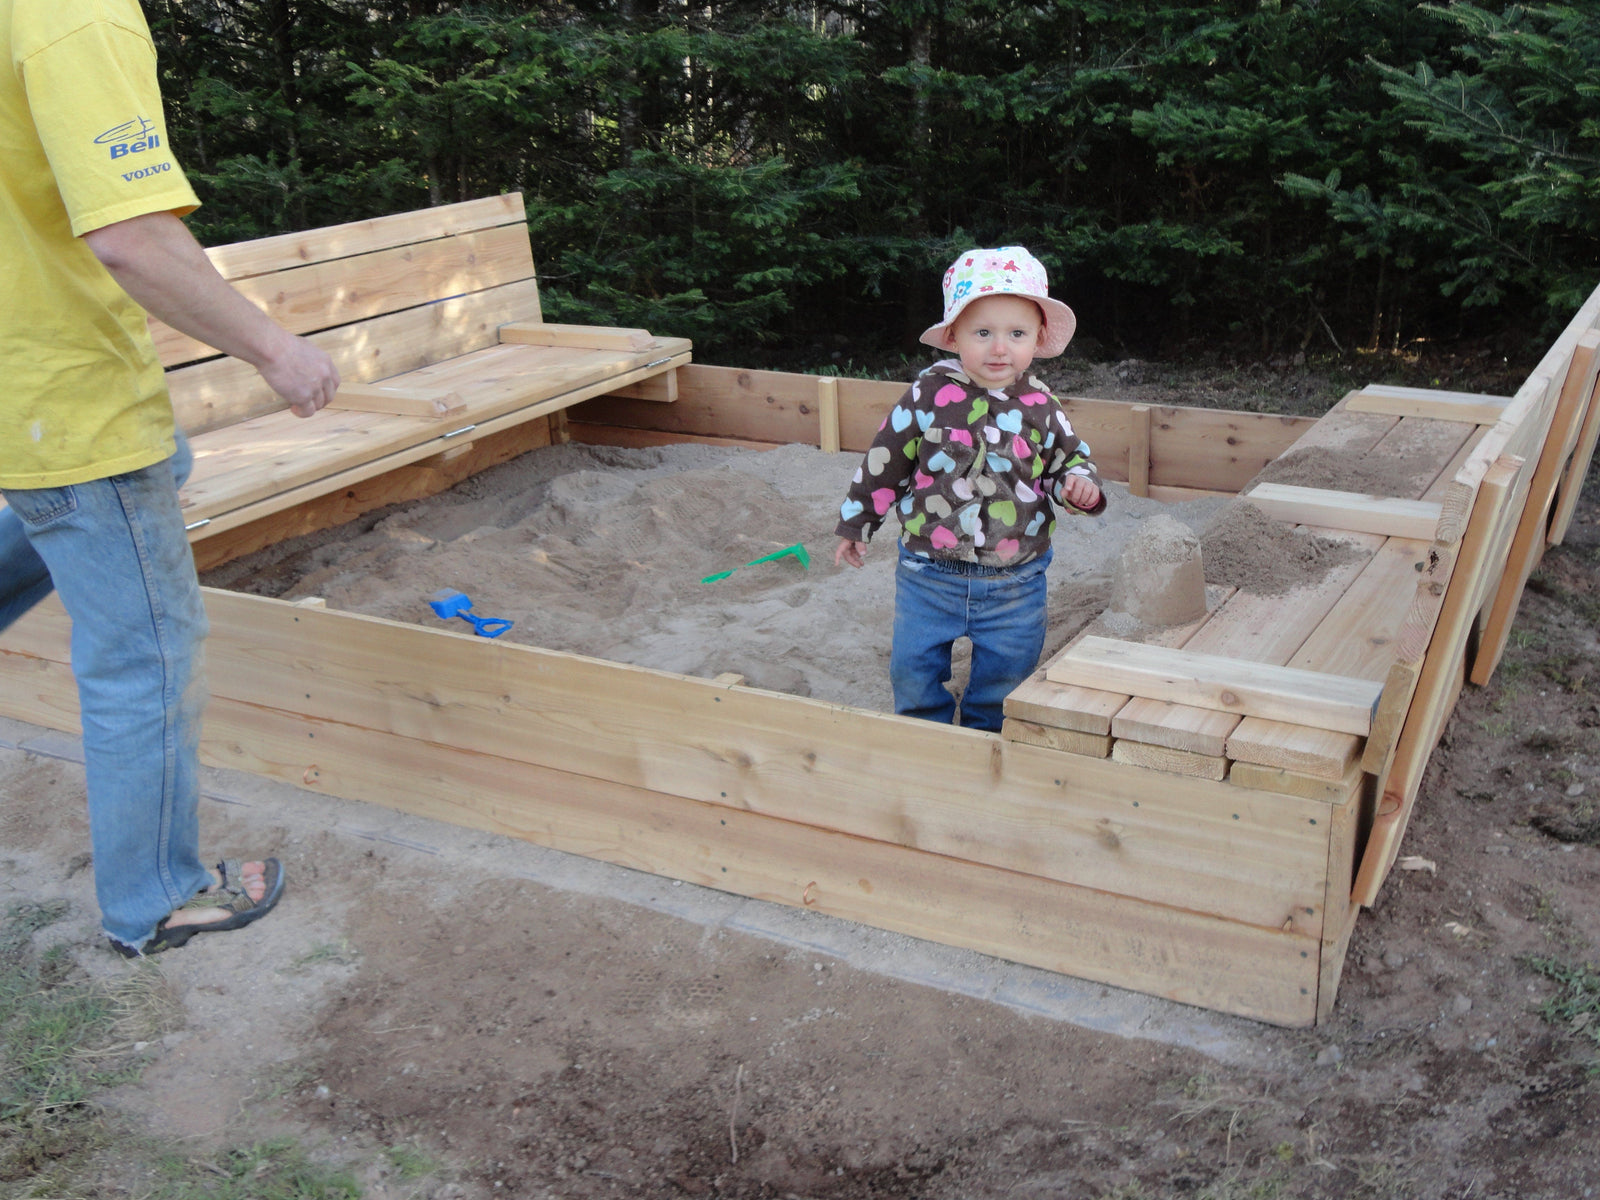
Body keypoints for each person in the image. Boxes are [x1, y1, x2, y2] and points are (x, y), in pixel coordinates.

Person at [1, 0, 341, 956]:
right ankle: (156, 897)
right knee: (144, 659)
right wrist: (275, 350)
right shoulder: (75, 16)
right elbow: (130, 236)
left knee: (152, 471)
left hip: (16, 384)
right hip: (69, 405)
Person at [833, 246, 1106, 731]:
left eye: (1016, 334)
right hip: (927, 572)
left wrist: (1077, 485)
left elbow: (1068, 460)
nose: (999, 348)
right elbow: (885, 460)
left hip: (1014, 579)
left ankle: (985, 739)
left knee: (1005, 675)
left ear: (1038, 338)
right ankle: (924, 734)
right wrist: (857, 521)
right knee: (914, 669)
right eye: (983, 333)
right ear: (954, 335)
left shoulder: (1041, 406)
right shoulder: (928, 395)